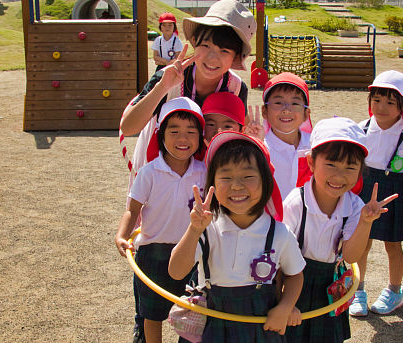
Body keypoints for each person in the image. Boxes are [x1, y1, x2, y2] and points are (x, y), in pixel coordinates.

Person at [120, 2, 256, 339]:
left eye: (224, 50)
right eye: (206, 44)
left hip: (204, 174)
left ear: (235, 58)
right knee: (153, 239)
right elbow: (130, 124)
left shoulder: (237, 87)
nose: (212, 56)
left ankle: (190, 320)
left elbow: (235, 139)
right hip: (160, 161)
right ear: (195, 43)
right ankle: (146, 319)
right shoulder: (172, 73)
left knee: (198, 245)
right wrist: (164, 84)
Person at [169, 131, 306, 342]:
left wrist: (285, 307)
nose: (236, 185)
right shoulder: (206, 228)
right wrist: (194, 230)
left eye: (248, 176)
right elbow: (176, 272)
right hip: (211, 322)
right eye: (226, 177)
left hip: (260, 326)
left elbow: (295, 275)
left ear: (266, 181)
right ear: (212, 182)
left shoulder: (279, 233)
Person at [282, 117, 399, 342]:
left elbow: (351, 255)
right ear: (311, 162)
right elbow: (281, 257)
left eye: (350, 167)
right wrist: (285, 302)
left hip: (330, 283)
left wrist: (366, 221)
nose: (339, 176)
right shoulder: (296, 203)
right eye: (331, 165)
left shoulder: (354, 205)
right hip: (294, 281)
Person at [115, 97, 206, 343]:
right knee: (152, 314)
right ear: (160, 135)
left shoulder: (205, 171)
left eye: (191, 131)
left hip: (192, 254)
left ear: (200, 137)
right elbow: (132, 210)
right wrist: (122, 235)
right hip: (153, 252)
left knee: (192, 313)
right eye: (174, 131)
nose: (182, 139)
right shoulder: (149, 172)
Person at [349, 70, 403, 317]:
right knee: (362, 243)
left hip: (394, 190)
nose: (382, 107)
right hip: (365, 189)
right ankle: (357, 291)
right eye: (377, 100)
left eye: (391, 102)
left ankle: (394, 291)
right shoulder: (362, 127)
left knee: (393, 245)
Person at [261, 72, 313, 200]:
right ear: (264, 111)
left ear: (306, 114)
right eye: (278, 102)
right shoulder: (260, 149)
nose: (286, 110)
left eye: (295, 104)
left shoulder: (316, 146)